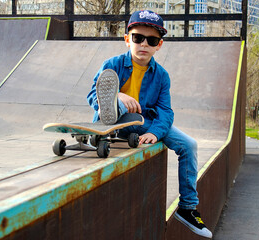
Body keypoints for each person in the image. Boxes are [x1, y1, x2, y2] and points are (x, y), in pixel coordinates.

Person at [87, 10, 212, 238]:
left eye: (151, 40)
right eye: (137, 38)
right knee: (114, 102)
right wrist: (118, 96)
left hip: (144, 123)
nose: (144, 44)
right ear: (127, 40)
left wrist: (156, 132)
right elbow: (91, 96)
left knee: (189, 145)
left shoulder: (162, 76)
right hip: (116, 121)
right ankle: (108, 117)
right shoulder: (112, 64)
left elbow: (166, 111)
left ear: (159, 45)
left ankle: (187, 207)